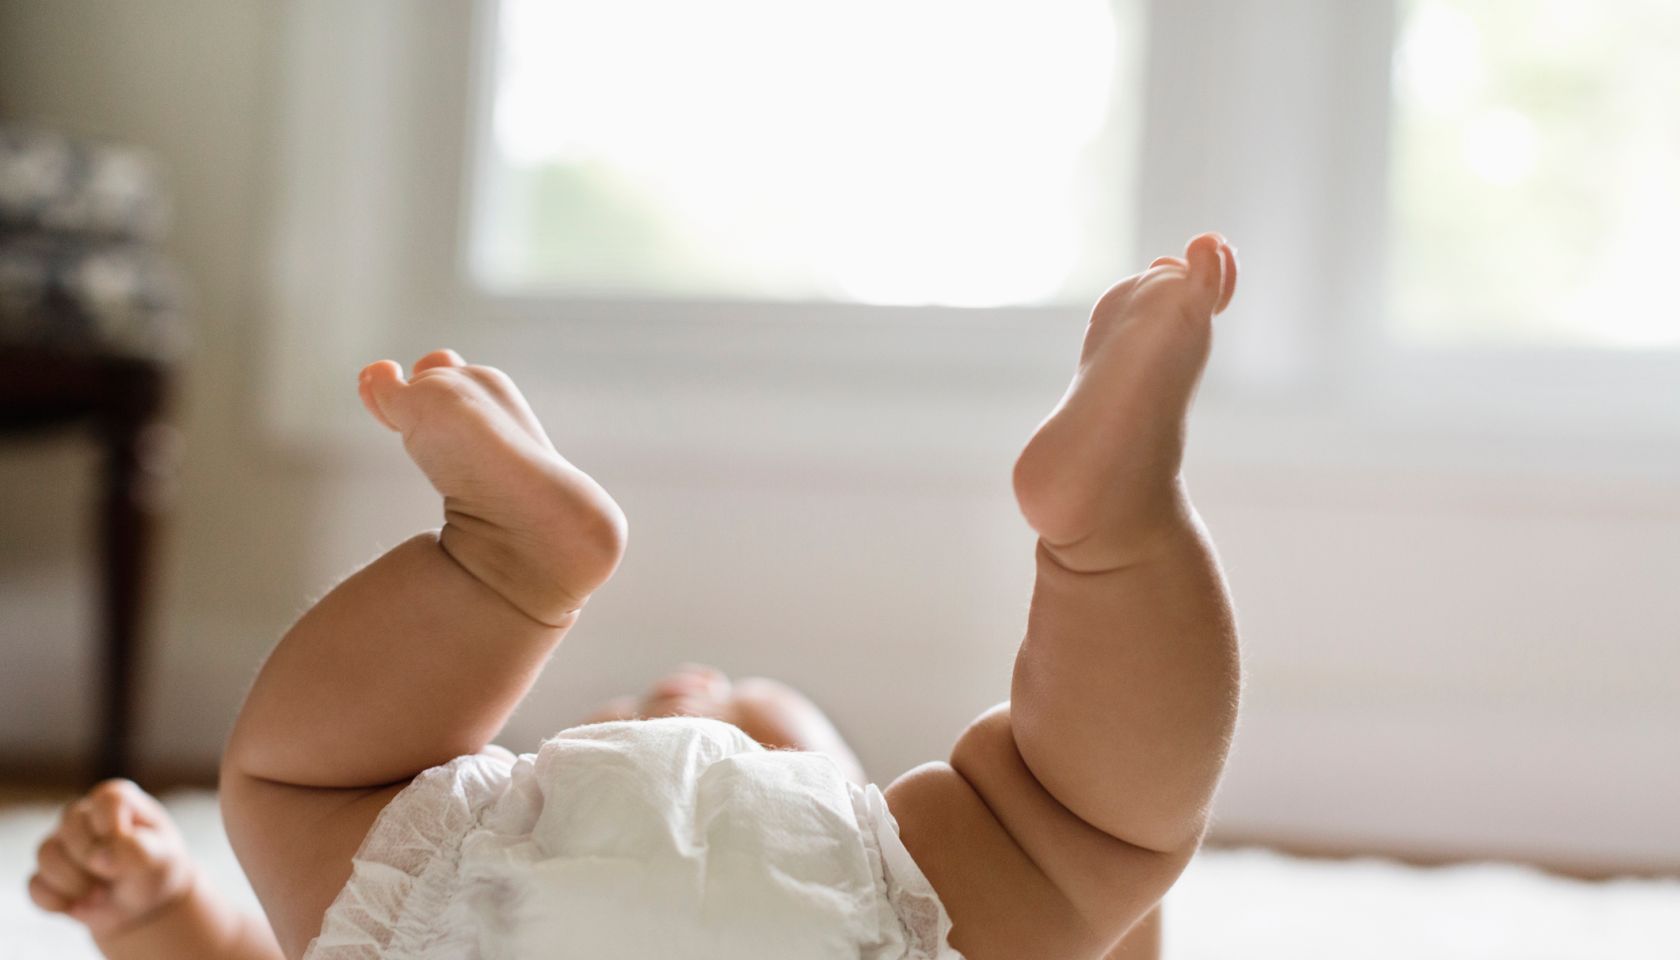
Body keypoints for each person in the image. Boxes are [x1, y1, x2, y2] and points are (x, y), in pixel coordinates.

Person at [31, 234, 1242, 960]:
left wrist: (158, 910)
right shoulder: (907, 899)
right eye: (725, 719)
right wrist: (1088, 888)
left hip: (488, 924)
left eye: (729, 713)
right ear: (857, 811)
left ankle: (504, 572)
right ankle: (1117, 544)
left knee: (302, 786)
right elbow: (1104, 878)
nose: (691, 705)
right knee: (1091, 830)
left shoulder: (475, 868)